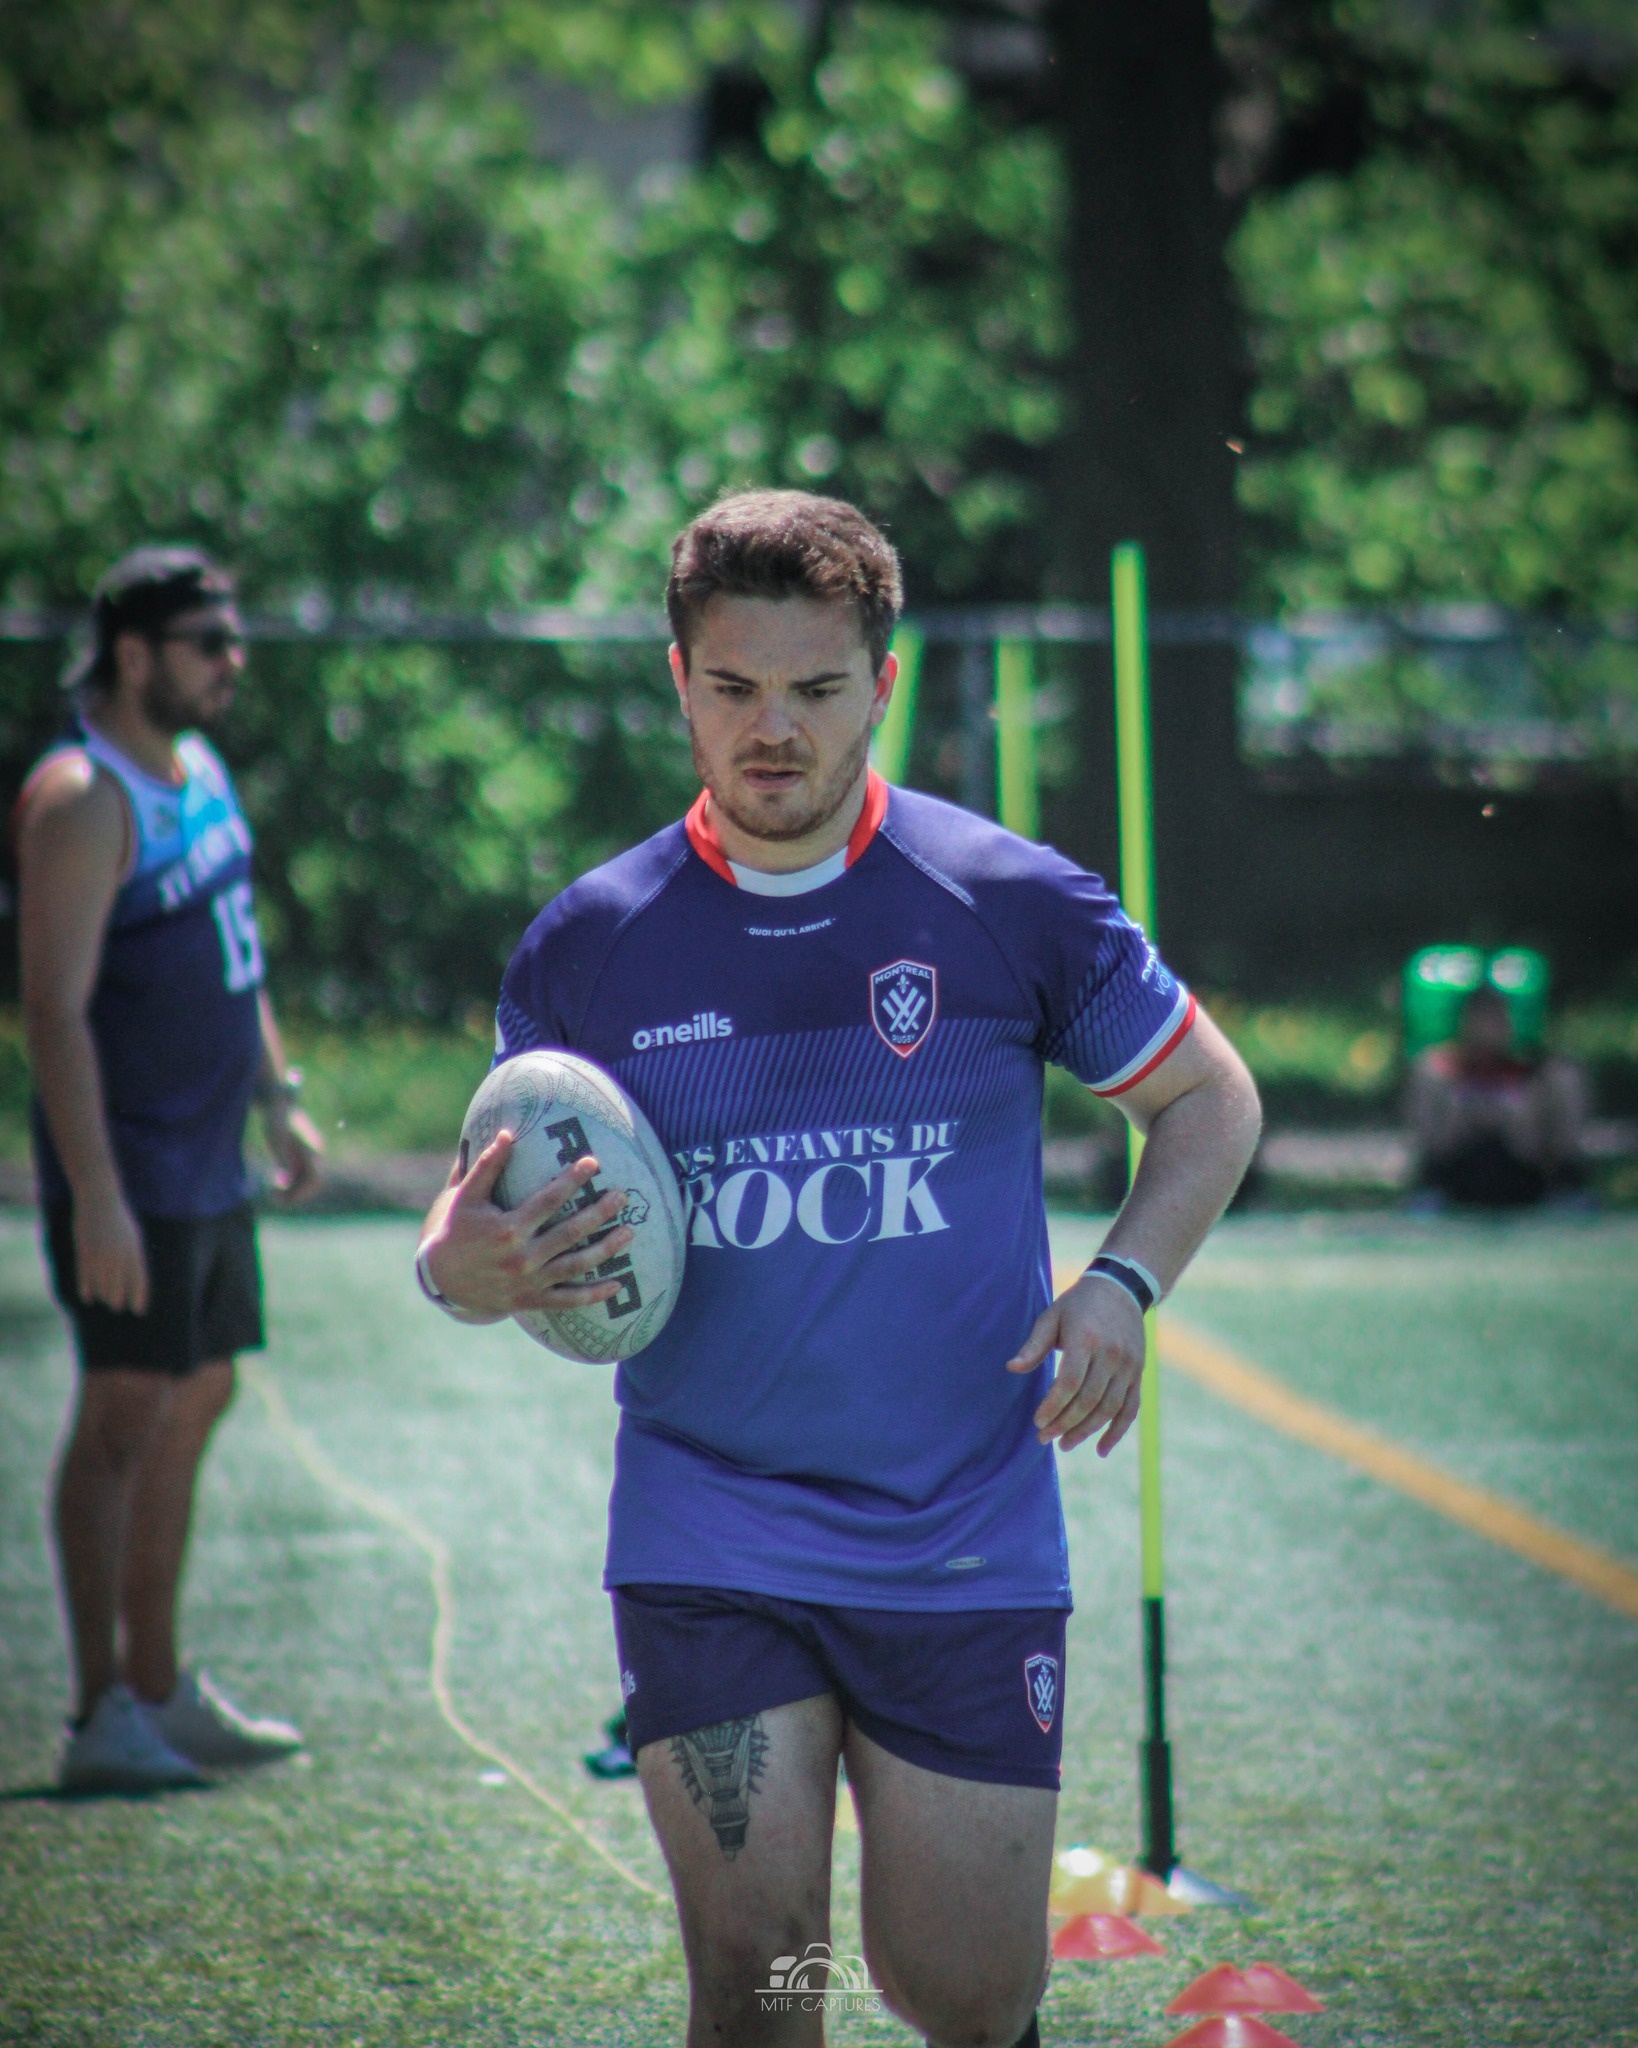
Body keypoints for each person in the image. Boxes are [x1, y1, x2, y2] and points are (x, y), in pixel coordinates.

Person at [416, 492, 1261, 2048]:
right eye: (732, 688)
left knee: (962, 1995)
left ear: (882, 681)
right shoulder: (589, 944)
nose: (772, 731)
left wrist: (1121, 1286)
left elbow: (1208, 1098)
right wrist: (461, 1270)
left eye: (814, 690)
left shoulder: (1005, 901)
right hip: (709, 1521)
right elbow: (479, 1216)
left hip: (961, 1528)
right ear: (679, 681)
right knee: (760, 1970)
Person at [16, 545, 324, 1793]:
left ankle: (159, 1684)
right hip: (131, 1169)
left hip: (208, 1163)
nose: (232, 660)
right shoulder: (80, 796)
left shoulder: (197, 767)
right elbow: (52, 1010)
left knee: (200, 1396)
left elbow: (230, 953)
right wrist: (96, 1194)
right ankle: (100, 1711)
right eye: (208, 640)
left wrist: (280, 1097)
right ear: (134, 652)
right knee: (123, 1417)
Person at [1407, 985, 1587, 1209]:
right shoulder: (1439, 1072)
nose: (1487, 1027)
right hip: (1457, 1175)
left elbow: (1548, 1142)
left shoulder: (1539, 1074)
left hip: (1525, 1173)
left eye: (1495, 1018)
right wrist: (1466, 1116)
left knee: (1564, 1077)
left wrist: (1514, 1119)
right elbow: (1433, 1143)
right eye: (1480, 1018)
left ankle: (1565, 1188)